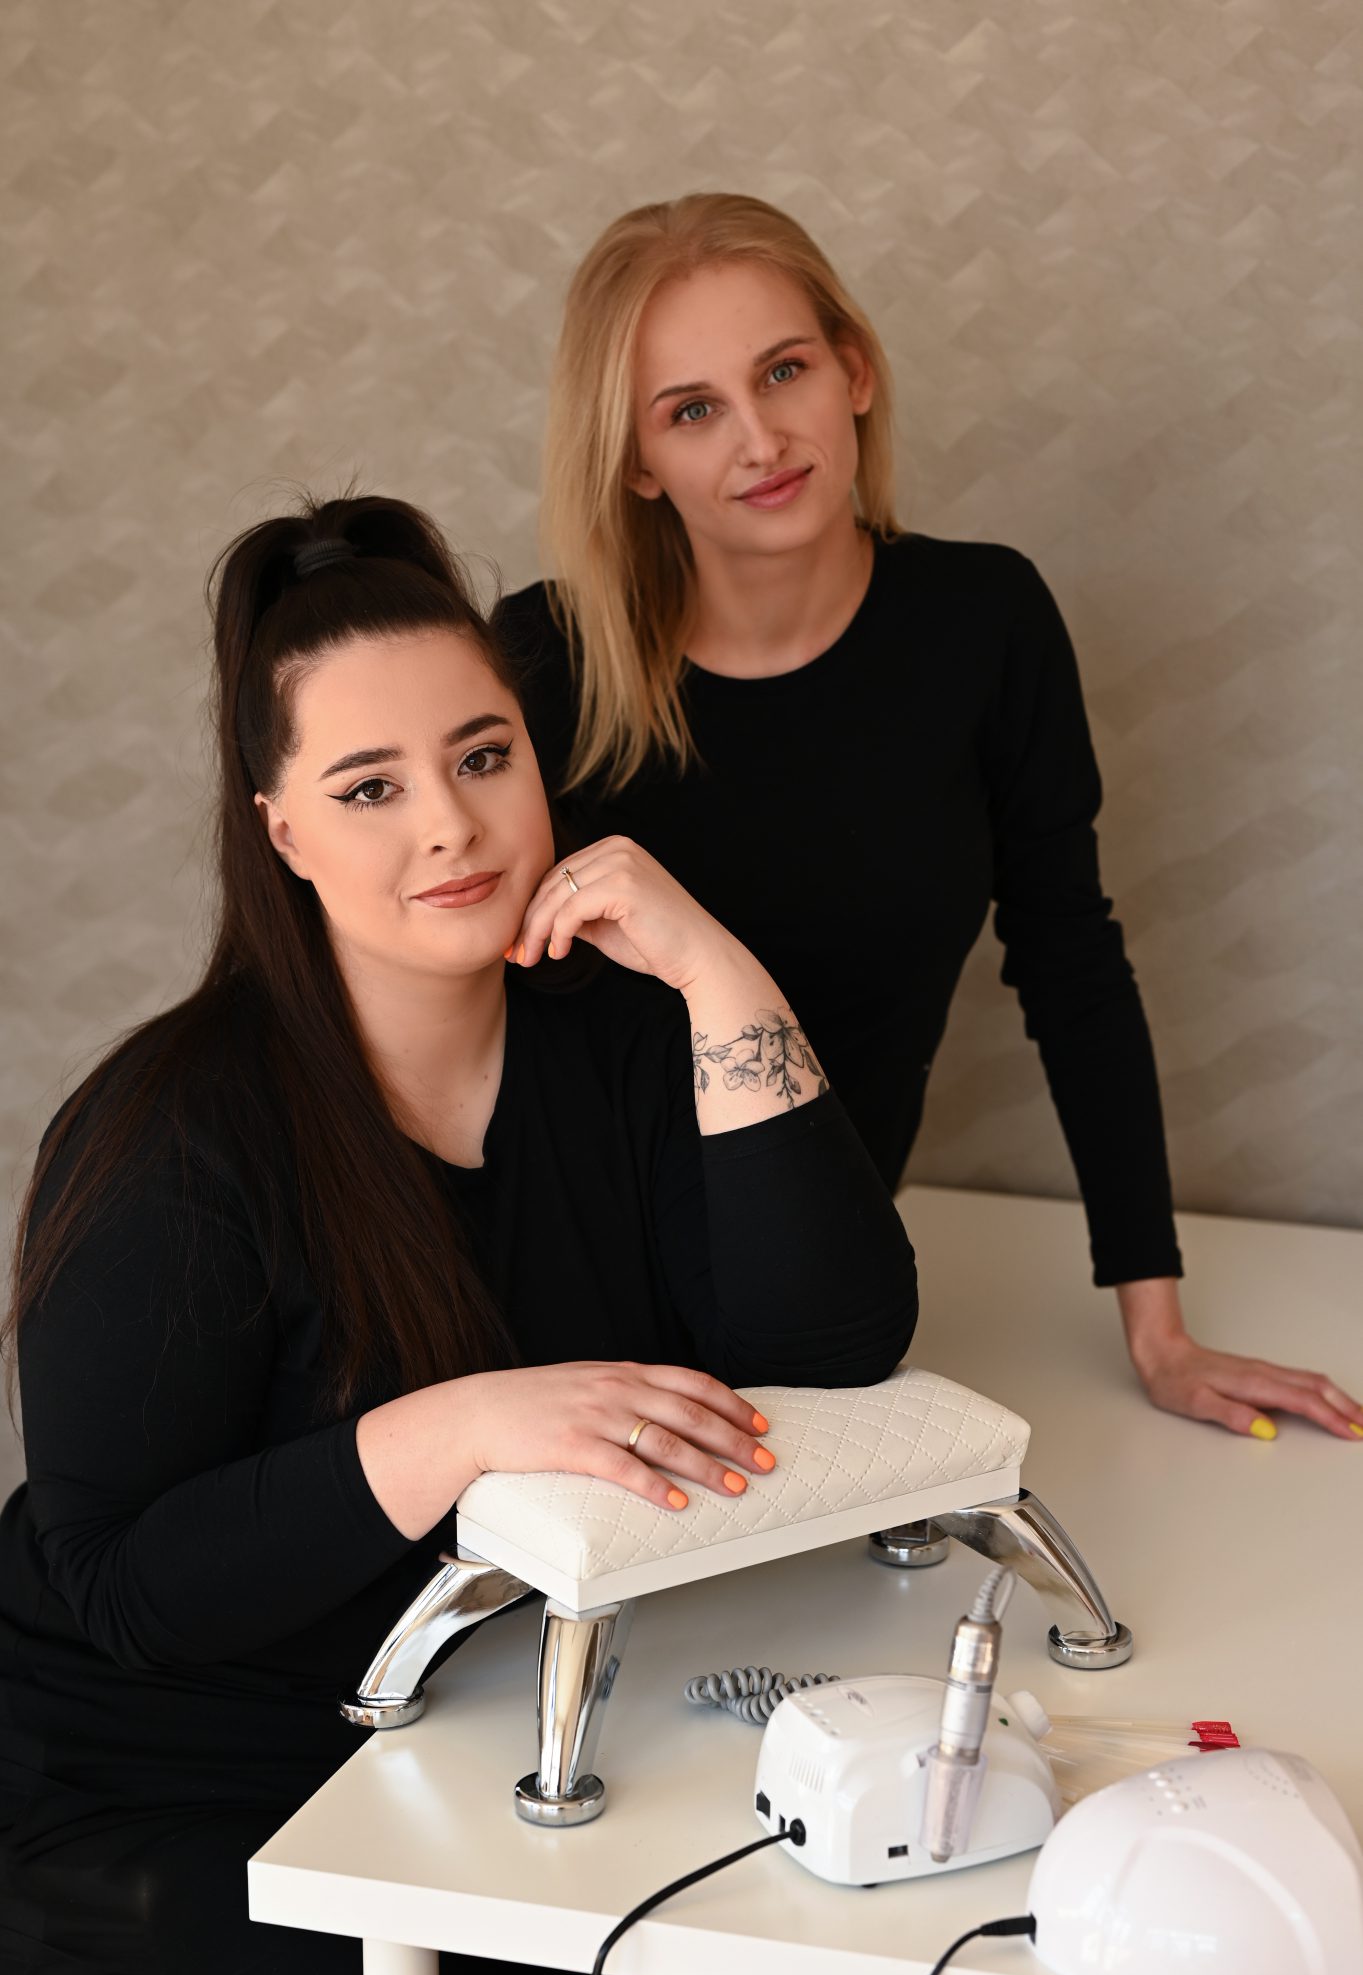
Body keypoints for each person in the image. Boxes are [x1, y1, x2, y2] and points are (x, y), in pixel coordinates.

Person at [0, 496, 921, 1975]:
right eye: (370, 787)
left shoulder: (622, 1038)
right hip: (160, 1782)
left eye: (482, 758)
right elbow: (119, 1587)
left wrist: (715, 970)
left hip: (486, 1728)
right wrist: (458, 1429)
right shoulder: (172, 1129)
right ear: (281, 832)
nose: (450, 825)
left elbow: (834, 1342)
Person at [495, 190, 1362, 1447]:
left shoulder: (983, 624)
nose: (759, 439)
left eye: (782, 371)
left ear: (853, 370)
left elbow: (1069, 959)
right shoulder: (545, 659)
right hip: (558, 1284)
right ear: (636, 461)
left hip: (819, 1291)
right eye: (691, 410)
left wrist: (1159, 1330)